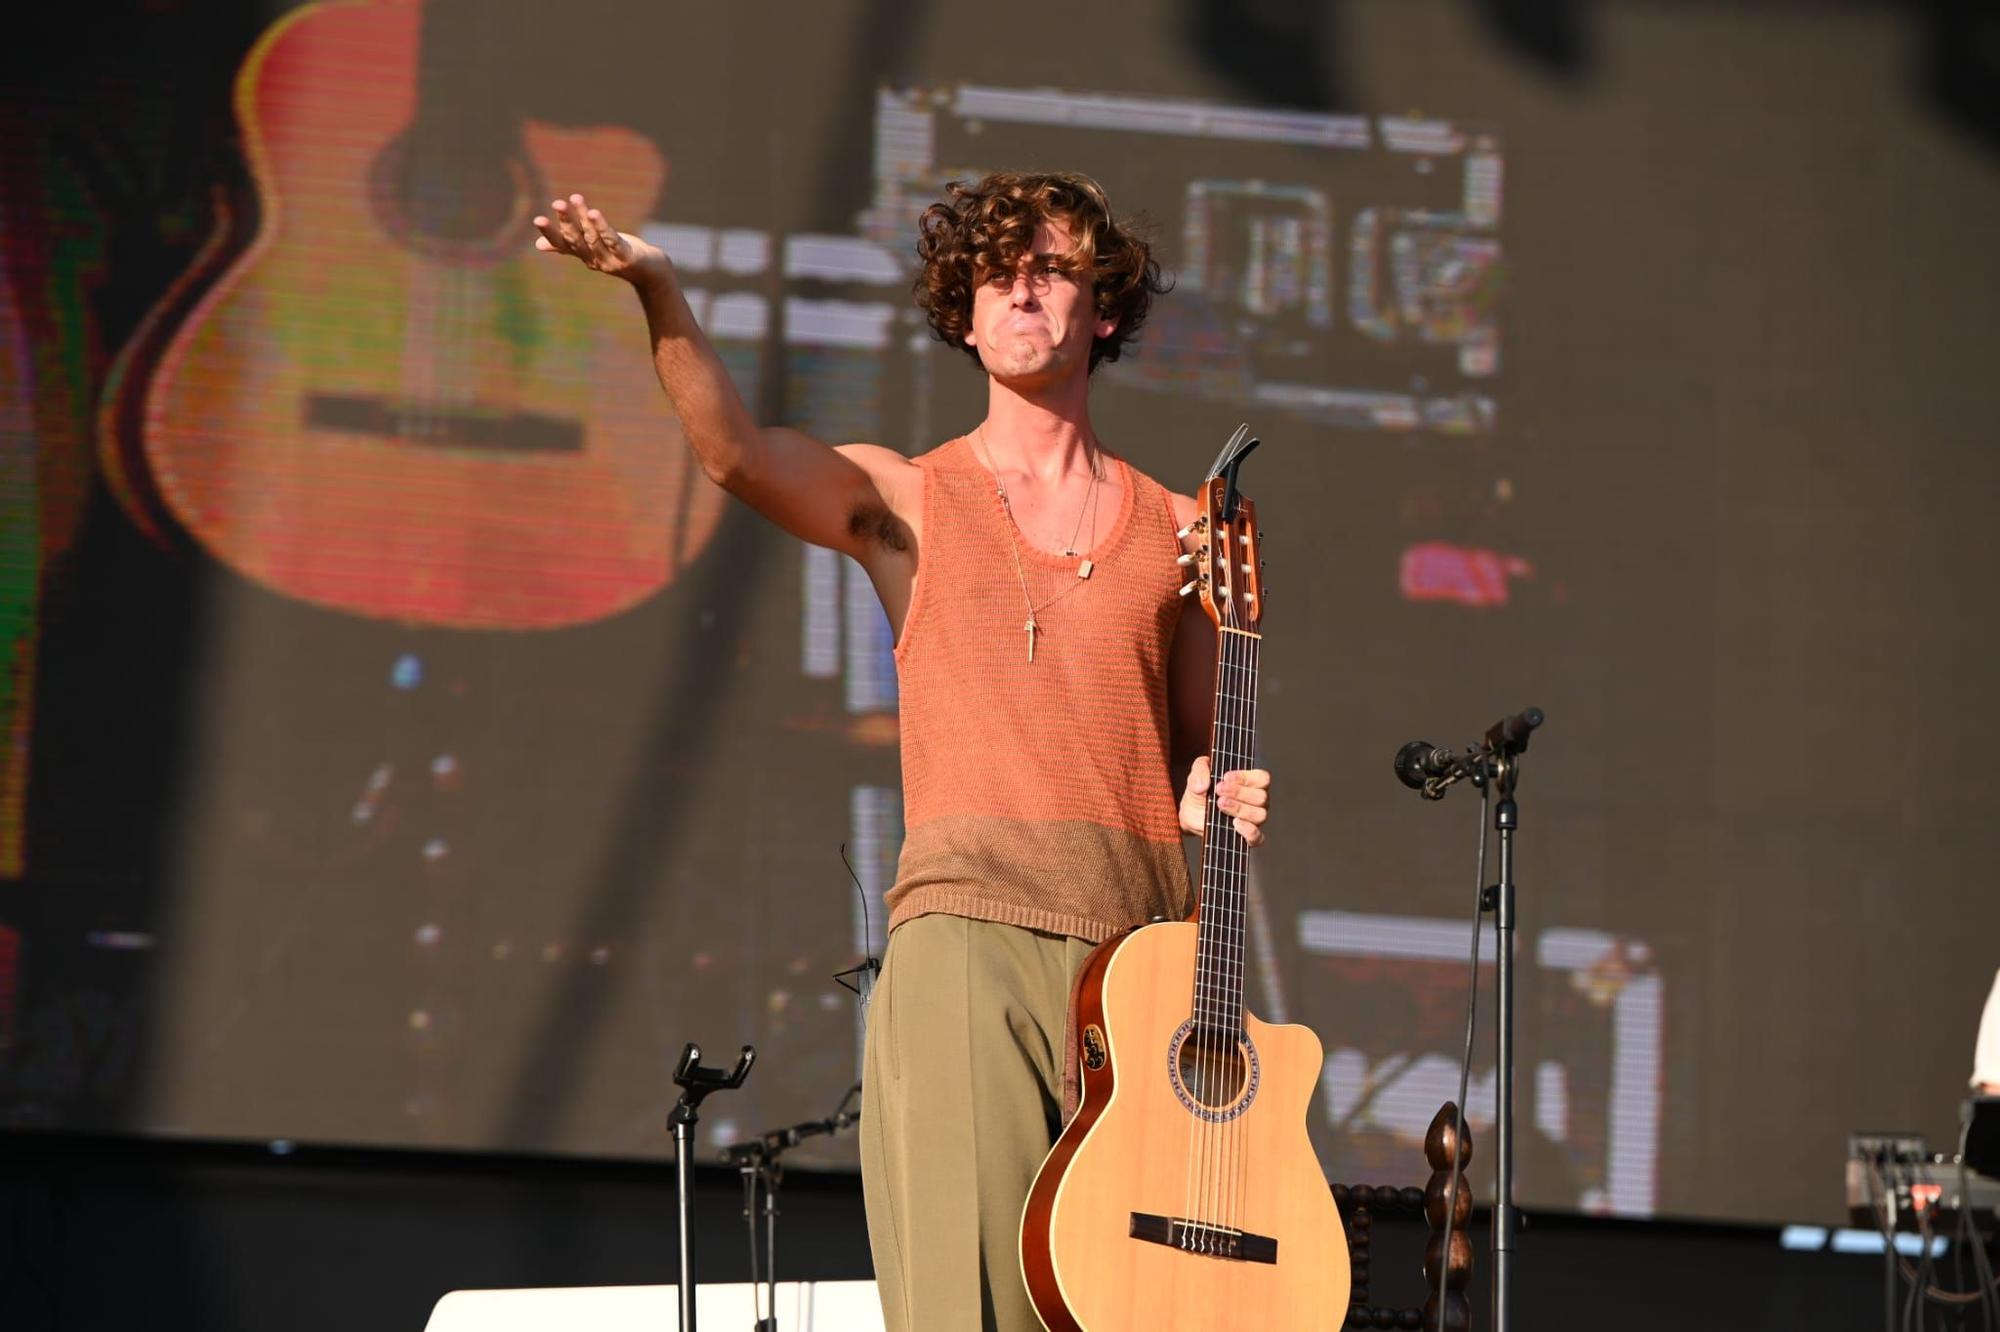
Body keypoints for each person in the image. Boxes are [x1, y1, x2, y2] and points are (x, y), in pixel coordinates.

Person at [534, 170, 1273, 1332]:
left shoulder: (1183, 530)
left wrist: (1209, 797)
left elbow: (1191, 753)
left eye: (1053, 269)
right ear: (964, 317)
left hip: (1137, 962)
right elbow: (734, 456)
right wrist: (659, 291)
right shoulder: (911, 499)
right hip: (968, 939)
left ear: (1106, 309)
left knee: (1128, 1306)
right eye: (998, 275)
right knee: (969, 1306)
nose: (1023, 292)